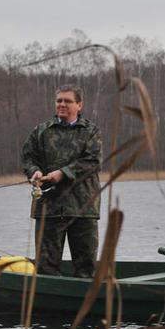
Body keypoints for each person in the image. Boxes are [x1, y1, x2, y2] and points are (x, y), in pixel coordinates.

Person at [21, 84, 102, 277]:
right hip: (49, 209)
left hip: (83, 209)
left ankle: (86, 305)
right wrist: (35, 172)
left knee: (86, 268)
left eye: (68, 101)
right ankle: (51, 305)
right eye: (59, 101)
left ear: (79, 105)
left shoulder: (91, 131)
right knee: (46, 268)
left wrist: (62, 173)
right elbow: (28, 158)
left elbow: (93, 162)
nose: (62, 104)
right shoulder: (41, 131)